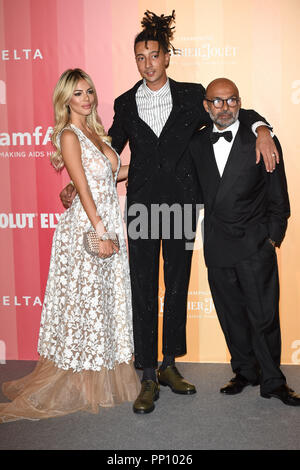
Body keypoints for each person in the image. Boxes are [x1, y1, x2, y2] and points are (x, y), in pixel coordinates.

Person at [60, 11, 279, 414]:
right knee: (143, 289)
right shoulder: (125, 103)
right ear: (136, 60)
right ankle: (146, 374)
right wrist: (80, 181)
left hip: (181, 206)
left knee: (176, 288)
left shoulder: (193, 94)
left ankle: (169, 365)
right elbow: (106, 150)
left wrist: (262, 128)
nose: (147, 63)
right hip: (141, 207)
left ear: (166, 57)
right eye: (140, 57)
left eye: (153, 55)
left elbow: (229, 112)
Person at [0, 69, 140, 423]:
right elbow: (81, 185)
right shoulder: (69, 135)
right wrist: (100, 231)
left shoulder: (95, 133)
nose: (86, 98)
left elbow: (112, 173)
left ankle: (97, 377)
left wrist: (146, 164)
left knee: (102, 301)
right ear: (66, 99)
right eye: (77, 93)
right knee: (86, 303)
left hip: (107, 222)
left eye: (89, 91)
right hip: (88, 227)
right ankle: (80, 382)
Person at [189, 77, 300, 406]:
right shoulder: (196, 144)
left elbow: (278, 196)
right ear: (207, 106)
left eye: (232, 100)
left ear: (241, 103)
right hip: (218, 243)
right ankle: (245, 371)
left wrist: (271, 239)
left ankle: (273, 380)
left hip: (254, 244)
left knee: (264, 316)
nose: (225, 108)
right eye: (218, 102)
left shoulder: (261, 138)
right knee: (231, 314)